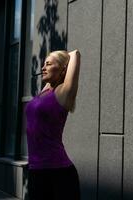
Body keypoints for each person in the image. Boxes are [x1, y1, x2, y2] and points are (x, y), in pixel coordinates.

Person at [25, 49, 81, 199]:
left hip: (58, 174)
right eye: (43, 64)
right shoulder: (46, 91)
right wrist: (52, 67)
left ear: (63, 70)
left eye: (48, 64)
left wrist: (64, 61)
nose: (43, 68)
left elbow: (75, 54)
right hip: (35, 170)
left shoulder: (63, 93)